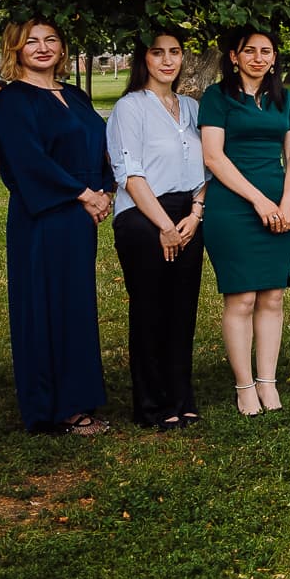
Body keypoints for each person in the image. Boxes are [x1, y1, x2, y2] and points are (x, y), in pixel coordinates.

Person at [0, 17, 113, 435]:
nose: (42, 48)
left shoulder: (75, 96)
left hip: (79, 220)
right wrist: (84, 194)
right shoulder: (13, 100)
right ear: (16, 49)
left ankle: (78, 396)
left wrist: (107, 190)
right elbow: (28, 161)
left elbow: (100, 143)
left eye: (51, 40)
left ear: (62, 48)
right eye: (32, 42)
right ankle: (53, 407)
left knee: (76, 305)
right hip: (42, 216)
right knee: (46, 306)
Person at [200, 25, 290, 417]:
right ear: (234, 57)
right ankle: (244, 386)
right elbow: (213, 157)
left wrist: (287, 201)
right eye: (250, 51)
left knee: (273, 297)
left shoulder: (284, 99)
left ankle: (268, 381)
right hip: (234, 206)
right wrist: (260, 201)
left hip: (280, 202)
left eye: (266, 51)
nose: (258, 58)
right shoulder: (218, 97)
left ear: (274, 58)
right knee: (242, 297)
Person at [106, 30, 207, 429]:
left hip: (189, 213)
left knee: (182, 311)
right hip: (144, 214)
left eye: (175, 52)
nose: (167, 60)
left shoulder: (191, 107)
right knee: (151, 310)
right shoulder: (130, 108)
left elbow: (206, 165)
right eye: (157, 53)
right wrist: (164, 225)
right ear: (143, 59)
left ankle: (181, 396)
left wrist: (196, 212)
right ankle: (151, 404)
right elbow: (129, 173)